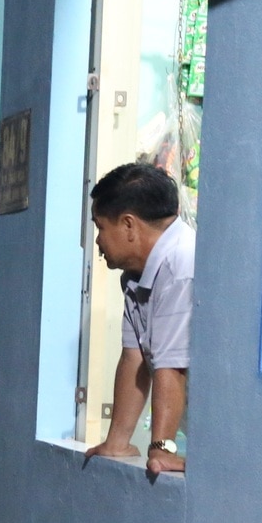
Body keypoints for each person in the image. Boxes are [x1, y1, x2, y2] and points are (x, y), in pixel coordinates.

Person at [82, 162, 194, 477]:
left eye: (100, 227)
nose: (98, 241)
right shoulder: (135, 276)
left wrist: (162, 448)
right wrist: (116, 441)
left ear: (129, 225)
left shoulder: (181, 265)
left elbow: (171, 363)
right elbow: (135, 358)